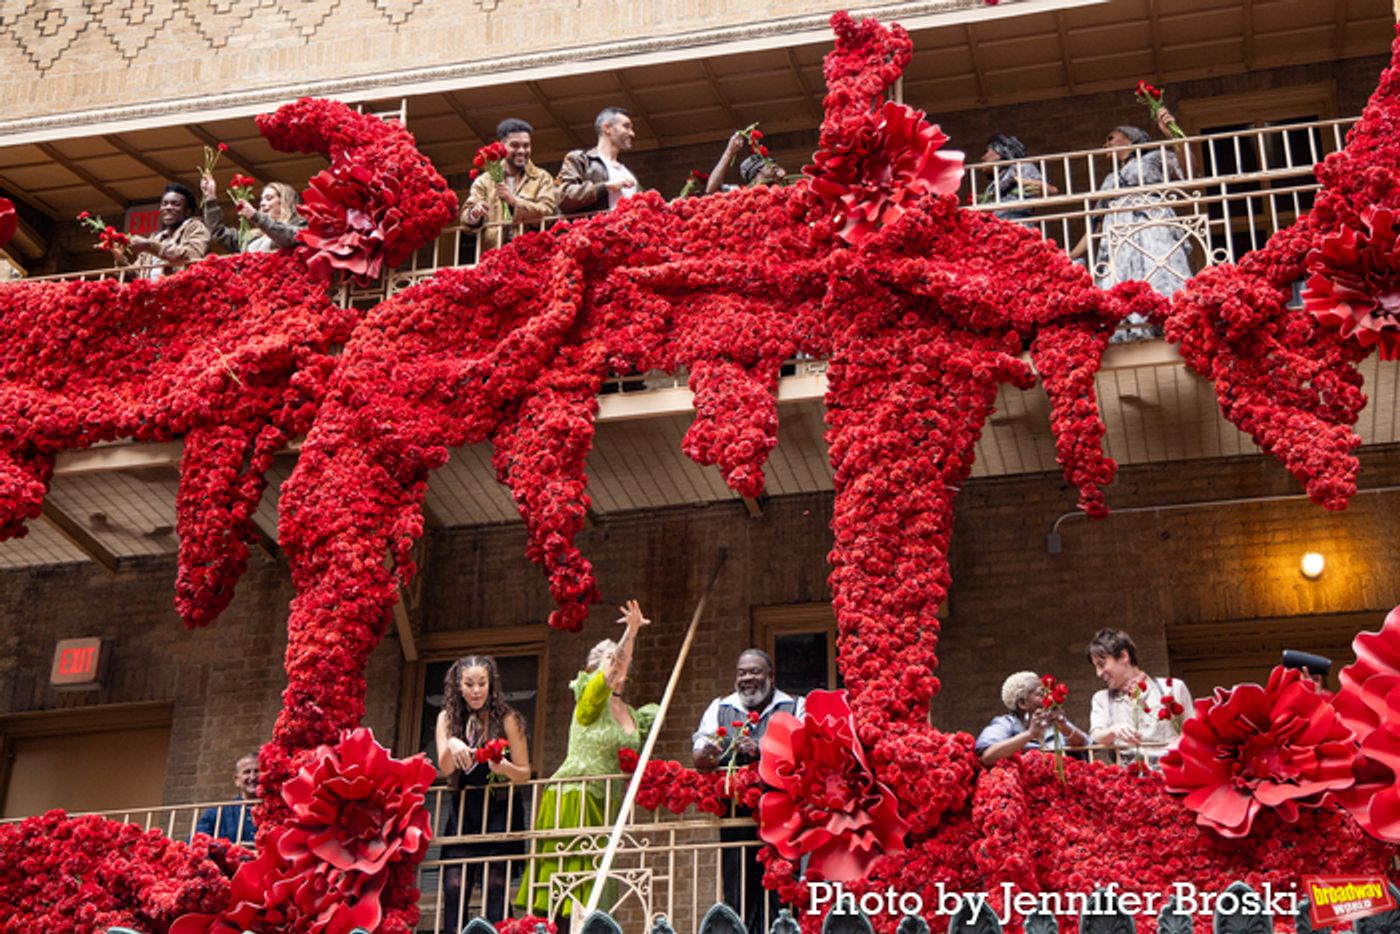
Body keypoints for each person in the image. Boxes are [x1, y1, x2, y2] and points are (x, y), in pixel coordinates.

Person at [516, 599, 657, 920]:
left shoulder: (633, 714)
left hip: (607, 804)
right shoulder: (589, 699)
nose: (616, 663)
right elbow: (614, 668)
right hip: (575, 798)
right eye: (608, 659)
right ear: (592, 670)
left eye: (618, 658)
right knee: (573, 887)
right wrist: (631, 633)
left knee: (598, 888)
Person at [692, 649, 800, 934]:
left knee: (783, 891)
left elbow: (804, 750)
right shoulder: (720, 708)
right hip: (736, 819)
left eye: (755, 672)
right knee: (738, 888)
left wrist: (761, 748)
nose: (747, 678)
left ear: (771, 676)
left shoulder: (794, 706)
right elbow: (699, 750)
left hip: (783, 818)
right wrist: (706, 755)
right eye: (742, 673)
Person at [1068, 109, 1192, 340]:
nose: (1105, 145)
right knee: (1123, 288)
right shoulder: (1109, 180)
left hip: (1152, 228)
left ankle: (1169, 322)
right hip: (1120, 238)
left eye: (1111, 138)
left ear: (1131, 140)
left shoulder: (1153, 159)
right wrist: (1070, 255)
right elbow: (1096, 225)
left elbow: (1189, 170)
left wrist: (1173, 134)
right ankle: (1131, 331)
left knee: (1160, 277)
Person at [435, 654, 531, 928]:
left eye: (482, 683)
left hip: (500, 808)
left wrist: (504, 767)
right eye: (469, 684)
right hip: (464, 809)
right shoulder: (447, 718)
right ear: (458, 686)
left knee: (495, 885)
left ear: (491, 684)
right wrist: (452, 743)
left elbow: (524, 773)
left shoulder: (508, 719)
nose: (476, 690)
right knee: (454, 884)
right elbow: (445, 768)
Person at [1086, 628, 1192, 767]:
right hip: (1129, 775)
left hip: (1170, 772)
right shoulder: (1101, 699)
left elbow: (1193, 733)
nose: (1098, 673)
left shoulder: (1173, 688)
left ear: (1124, 656)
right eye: (1096, 667)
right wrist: (1114, 730)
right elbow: (1096, 735)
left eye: (1101, 664)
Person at [462, 118, 560, 253]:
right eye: (515, 145)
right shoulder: (485, 181)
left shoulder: (542, 178)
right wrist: (475, 213)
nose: (521, 151)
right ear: (502, 147)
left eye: (526, 146)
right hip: (493, 257)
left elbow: (548, 214)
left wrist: (514, 202)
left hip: (531, 256)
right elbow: (465, 222)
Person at [975, 671, 1090, 767]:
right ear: (1023, 703)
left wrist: (1064, 726)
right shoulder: (1006, 723)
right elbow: (987, 757)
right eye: (1041, 694)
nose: (1048, 697)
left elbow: (1085, 745)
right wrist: (1030, 734)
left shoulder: (1053, 722)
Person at [556, 107, 638, 215]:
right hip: (598, 226)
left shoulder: (627, 171)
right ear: (607, 128)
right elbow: (563, 197)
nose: (632, 133)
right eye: (626, 126)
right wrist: (605, 187)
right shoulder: (580, 160)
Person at [199, 176, 304, 253]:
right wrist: (210, 198)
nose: (262, 203)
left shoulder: (299, 226)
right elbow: (219, 234)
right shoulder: (251, 236)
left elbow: (287, 236)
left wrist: (255, 216)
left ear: (285, 202)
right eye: (262, 199)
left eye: (269, 198)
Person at [129, 183, 210, 278]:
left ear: (188, 212)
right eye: (164, 204)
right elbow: (136, 275)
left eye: (176, 204)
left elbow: (192, 255)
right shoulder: (155, 238)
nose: (168, 208)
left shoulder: (196, 227)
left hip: (180, 286)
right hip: (152, 287)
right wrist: (120, 259)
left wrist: (151, 246)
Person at [976, 134, 1058, 222]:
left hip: (1016, 224)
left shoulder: (1020, 167)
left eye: (987, 151)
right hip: (997, 226)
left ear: (1000, 151)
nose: (982, 158)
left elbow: (1051, 191)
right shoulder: (995, 182)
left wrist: (1018, 181)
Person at [194, 753, 258, 845]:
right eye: (247, 772)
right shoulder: (217, 813)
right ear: (237, 780)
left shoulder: (276, 812)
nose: (253, 777)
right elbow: (196, 842)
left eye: (257, 771)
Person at [704, 131, 787, 194]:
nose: (774, 165)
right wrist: (729, 152)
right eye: (768, 164)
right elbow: (711, 190)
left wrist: (782, 181)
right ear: (758, 170)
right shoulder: (741, 193)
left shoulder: (779, 191)